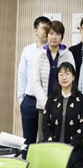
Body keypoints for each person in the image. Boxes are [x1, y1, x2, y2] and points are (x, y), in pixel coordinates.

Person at [41, 62, 83, 168]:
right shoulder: (52, 98)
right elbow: (45, 123)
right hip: (53, 145)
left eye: (67, 74)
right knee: (42, 162)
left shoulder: (80, 99)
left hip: (72, 148)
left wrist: (70, 146)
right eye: (61, 74)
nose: (64, 77)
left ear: (73, 77)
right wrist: (51, 142)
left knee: (61, 162)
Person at [30, 20, 75, 141]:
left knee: (60, 139)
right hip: (43, 106)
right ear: (47, 35)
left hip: (63, 106)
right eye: (51, 33)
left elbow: (71, 79)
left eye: (57, 34)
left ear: (62, 37)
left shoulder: (68, 55)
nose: (54, 37)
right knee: (43, 139)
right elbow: (36, 82)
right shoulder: (40, 55)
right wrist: (47, 104)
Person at [18, 16, 51, 145]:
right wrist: (21, 100)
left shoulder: (53, 50)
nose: (46, 32)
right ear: (36, 31)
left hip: (46, 102)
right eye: (43, 28)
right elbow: (22, 75)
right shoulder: (27, 50)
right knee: (28, 141)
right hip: (30, 101)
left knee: (45, 141)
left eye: (48, 28)